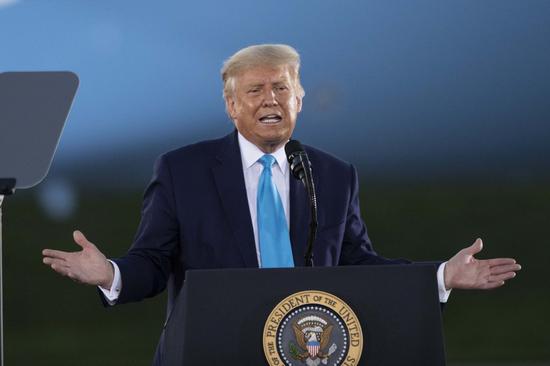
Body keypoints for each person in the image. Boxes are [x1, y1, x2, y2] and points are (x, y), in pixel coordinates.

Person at [42, 43, 520, 353]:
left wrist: (441, 276)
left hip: (306, 348)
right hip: (214, 348)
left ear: (299, 101)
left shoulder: (334, 175)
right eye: (255, 90)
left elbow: (358, 265)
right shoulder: (183, 170)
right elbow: (153, 259)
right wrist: (111, 274)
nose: (270, 99)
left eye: (281, 88)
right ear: (232, 106)